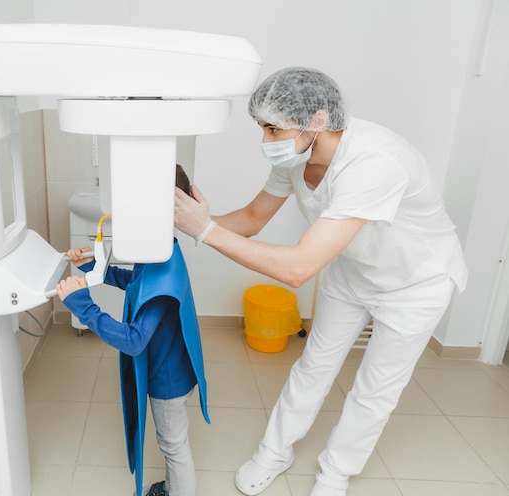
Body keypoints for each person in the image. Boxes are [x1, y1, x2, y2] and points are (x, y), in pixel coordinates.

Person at [174, 67, 467, 496]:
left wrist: (206, 232)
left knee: (375, 388)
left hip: (416, 284)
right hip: (352, 271)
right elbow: (253, 219)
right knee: (314, 365)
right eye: (261, 128)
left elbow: (298, 268)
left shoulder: (373, 163)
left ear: (317, 120)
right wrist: (189, 221)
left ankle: (336, 472)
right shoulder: (296, 156)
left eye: (273, 129)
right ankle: (275, 452)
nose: (265, 142)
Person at [57, 164, 210, 496]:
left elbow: (134, 340)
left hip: (167, 380)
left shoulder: (162, 275)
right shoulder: (160, 253)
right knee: (174, 442)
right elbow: (135, 283)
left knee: (173, 445)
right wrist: (94, 269)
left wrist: (83, 305)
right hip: (172, 366)